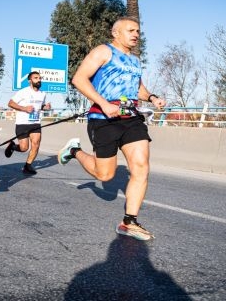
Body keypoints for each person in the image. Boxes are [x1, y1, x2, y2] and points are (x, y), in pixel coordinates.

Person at [57, 16, 166, 241]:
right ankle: (74, 151)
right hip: (103, 119)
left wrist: (152, 97)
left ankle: (129, 222)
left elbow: (137, 88)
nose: (136, 34)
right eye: (130, 30)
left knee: (141, 167)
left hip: (131, 119)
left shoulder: (135, 61)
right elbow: (79, 79)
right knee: (104, 174)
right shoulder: (103, 52)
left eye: (138, 30)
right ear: (116, 33)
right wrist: (104, 104)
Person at [4, 71, 51, 175]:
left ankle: (28, 166)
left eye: (39, 78)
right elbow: (10, 103)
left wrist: (45, 107)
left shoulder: (43, 94)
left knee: (36, 144)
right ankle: (13, 146)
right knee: (24, 148)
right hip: (22, 123)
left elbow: (40, 107)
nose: (39, 80)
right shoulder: (23, 92)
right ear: (30, 80)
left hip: (35, 123)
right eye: (36, 78)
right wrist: (24, 108)